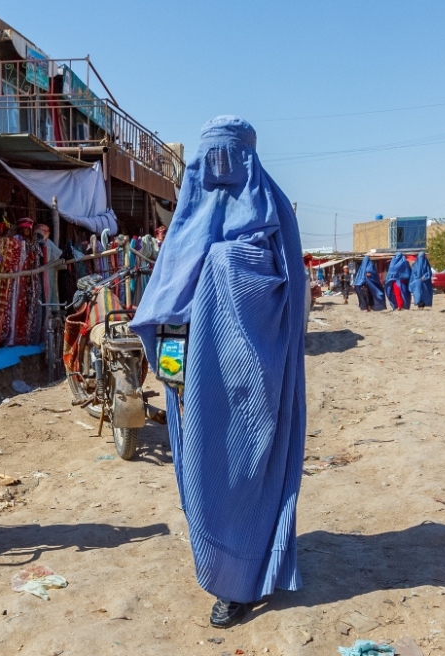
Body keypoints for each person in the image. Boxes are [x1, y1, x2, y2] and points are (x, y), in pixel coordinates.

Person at [130, 116, 306, 628]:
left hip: (255, 378)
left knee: (252, 474)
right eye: (210, 158)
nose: (220, 170)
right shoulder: (186, 222)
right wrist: (172, 374)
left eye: (230, 155)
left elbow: (291, 302)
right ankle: (222, 572)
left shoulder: (275, 214)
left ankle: (247, 580)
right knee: (204, 478)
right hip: (194, 380)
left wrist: (226, 268)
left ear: (249, 157)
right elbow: (165, 303)